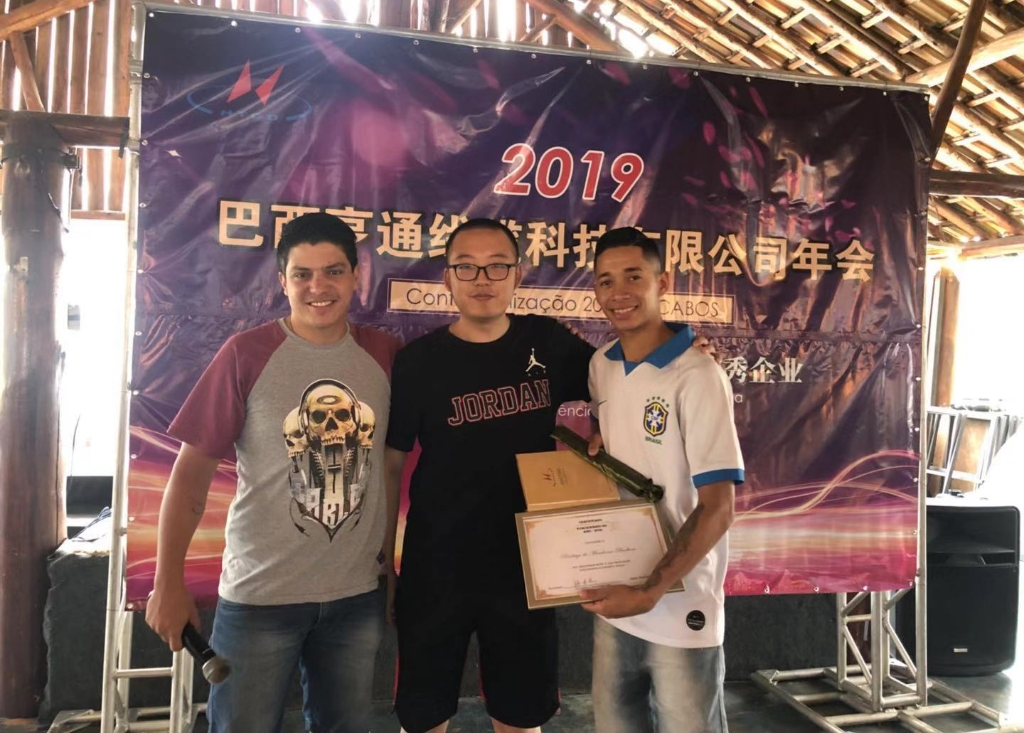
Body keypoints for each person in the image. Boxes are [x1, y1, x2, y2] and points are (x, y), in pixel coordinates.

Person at [383, 219, 714, 733]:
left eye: (497, 266)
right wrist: (386, 560)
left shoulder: (547, 341)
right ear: (447, 278)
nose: (482, 279)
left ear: (518, 275)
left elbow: (619, 375)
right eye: (466, 267)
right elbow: (392, 463)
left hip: (529, 569)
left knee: (521, 715)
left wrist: (685, 353)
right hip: (435, 566)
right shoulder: (416, 362)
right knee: (424, 716)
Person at [145, 212, 400, 733]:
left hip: (355, 597)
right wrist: (166, 582)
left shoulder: (385, 355)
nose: (318, 287)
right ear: (283, 281)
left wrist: (390, 568)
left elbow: (392, 470)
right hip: (259, 598)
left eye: (333, 271)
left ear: (356, 276)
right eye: (302, 274)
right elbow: (190, 476)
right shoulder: (246, 355)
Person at [581, 226, 744, 733]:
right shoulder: (601, 365)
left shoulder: (698, 375)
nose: (619, 293)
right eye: (606, 281)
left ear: (663, 282)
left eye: (634, 276)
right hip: (617, 597)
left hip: (680, 604)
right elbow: (608, 442)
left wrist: (652, 590)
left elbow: (718, 507)